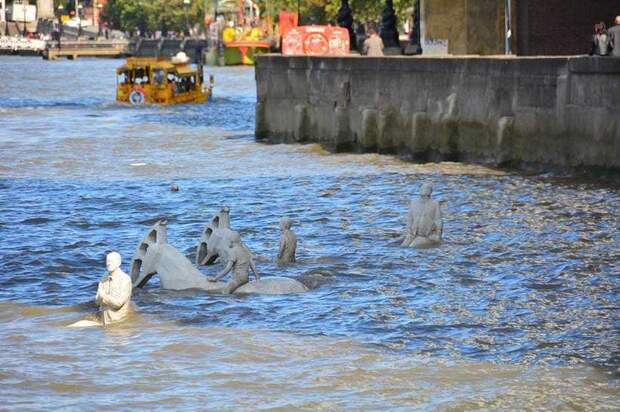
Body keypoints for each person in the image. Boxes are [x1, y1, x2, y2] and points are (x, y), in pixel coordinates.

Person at [95, 252, 133, 325]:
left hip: (118, 322)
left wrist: (104, 296)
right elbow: (97, 301)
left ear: (119, 263)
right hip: (103, 320)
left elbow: (118, 304)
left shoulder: (125, 279)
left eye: (111, 261)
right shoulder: (104, 278)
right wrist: (99, 297)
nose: (108, 263)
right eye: (107, 261)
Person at [401, 183, 443, 248]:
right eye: (422, 188)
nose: (424, 190)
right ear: (419, 190)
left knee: (413, 246)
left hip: (427, 235)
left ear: (430, 191)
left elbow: (438, 219)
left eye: (427, 189)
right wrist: (409, 231)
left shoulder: (435, 204)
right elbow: (410, 218)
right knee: (403, 246)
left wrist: (438, 234)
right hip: (413, 233)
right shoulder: (413, 203)